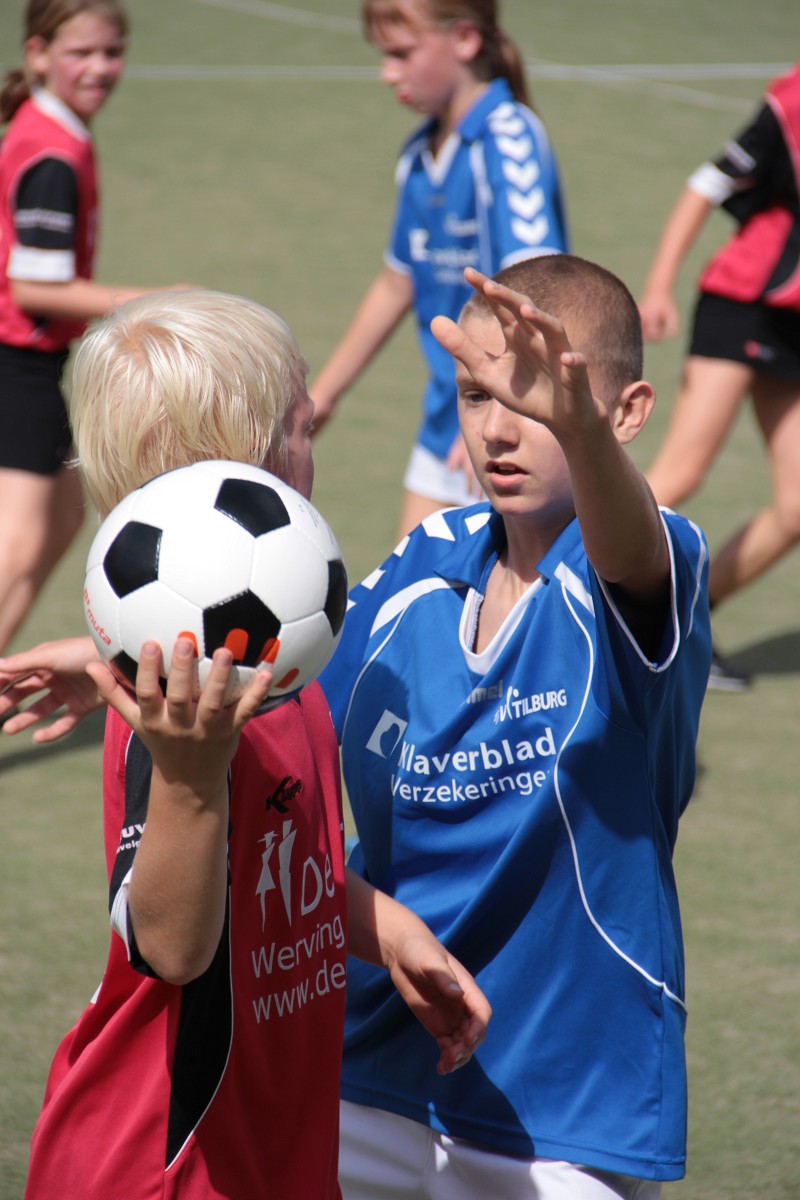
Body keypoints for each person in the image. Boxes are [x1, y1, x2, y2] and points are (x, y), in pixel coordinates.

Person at [1, 257, 711, 1198]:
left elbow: (632, 547)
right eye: (472, 392)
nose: (497, 426)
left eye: (534, 398)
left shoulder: (645, 564)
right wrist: (119, 659)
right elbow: (272, 661)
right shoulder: (427, 557)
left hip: (563, 1096)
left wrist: (581, 440)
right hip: (370, 1067)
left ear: (621, 412)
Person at [12, 289, 490, 1200]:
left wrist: (384, 928)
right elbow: (171, 948)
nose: (316, 441)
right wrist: (190, 781)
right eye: (303, 423)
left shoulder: (276, 663)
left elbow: (270, 870)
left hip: (278, 1150)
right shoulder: (177, 724)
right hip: (168, 1165)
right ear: (249, 473)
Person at [309, 0, 568, 540]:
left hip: (510, 423)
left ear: (465, 40)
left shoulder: (507, 137)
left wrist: (502, 411)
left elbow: (535, 283)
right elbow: (395, 282)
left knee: (503, 612)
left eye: (402, 54)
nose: (387, 74)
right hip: (446, 419)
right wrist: (323, 398)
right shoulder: (419, 155)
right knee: (413, 603)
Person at [0, 0, 183, 654]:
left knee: (62, 515)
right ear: (39, 55)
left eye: (111, 52)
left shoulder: (53, 129)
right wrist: (155, 298)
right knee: (18, 545)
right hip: (16, 363)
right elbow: (33, 286)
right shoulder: (52, 153)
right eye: (81, 53)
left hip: (33, 364)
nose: (100, 68)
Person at [638, 63, 800, 691]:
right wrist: (657, 285)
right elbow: (706, 183)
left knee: (797, 507)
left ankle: (682, 633)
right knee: (683, 471)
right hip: (744, 301)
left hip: (793, 327)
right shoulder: (792, 103)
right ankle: (556, 594)